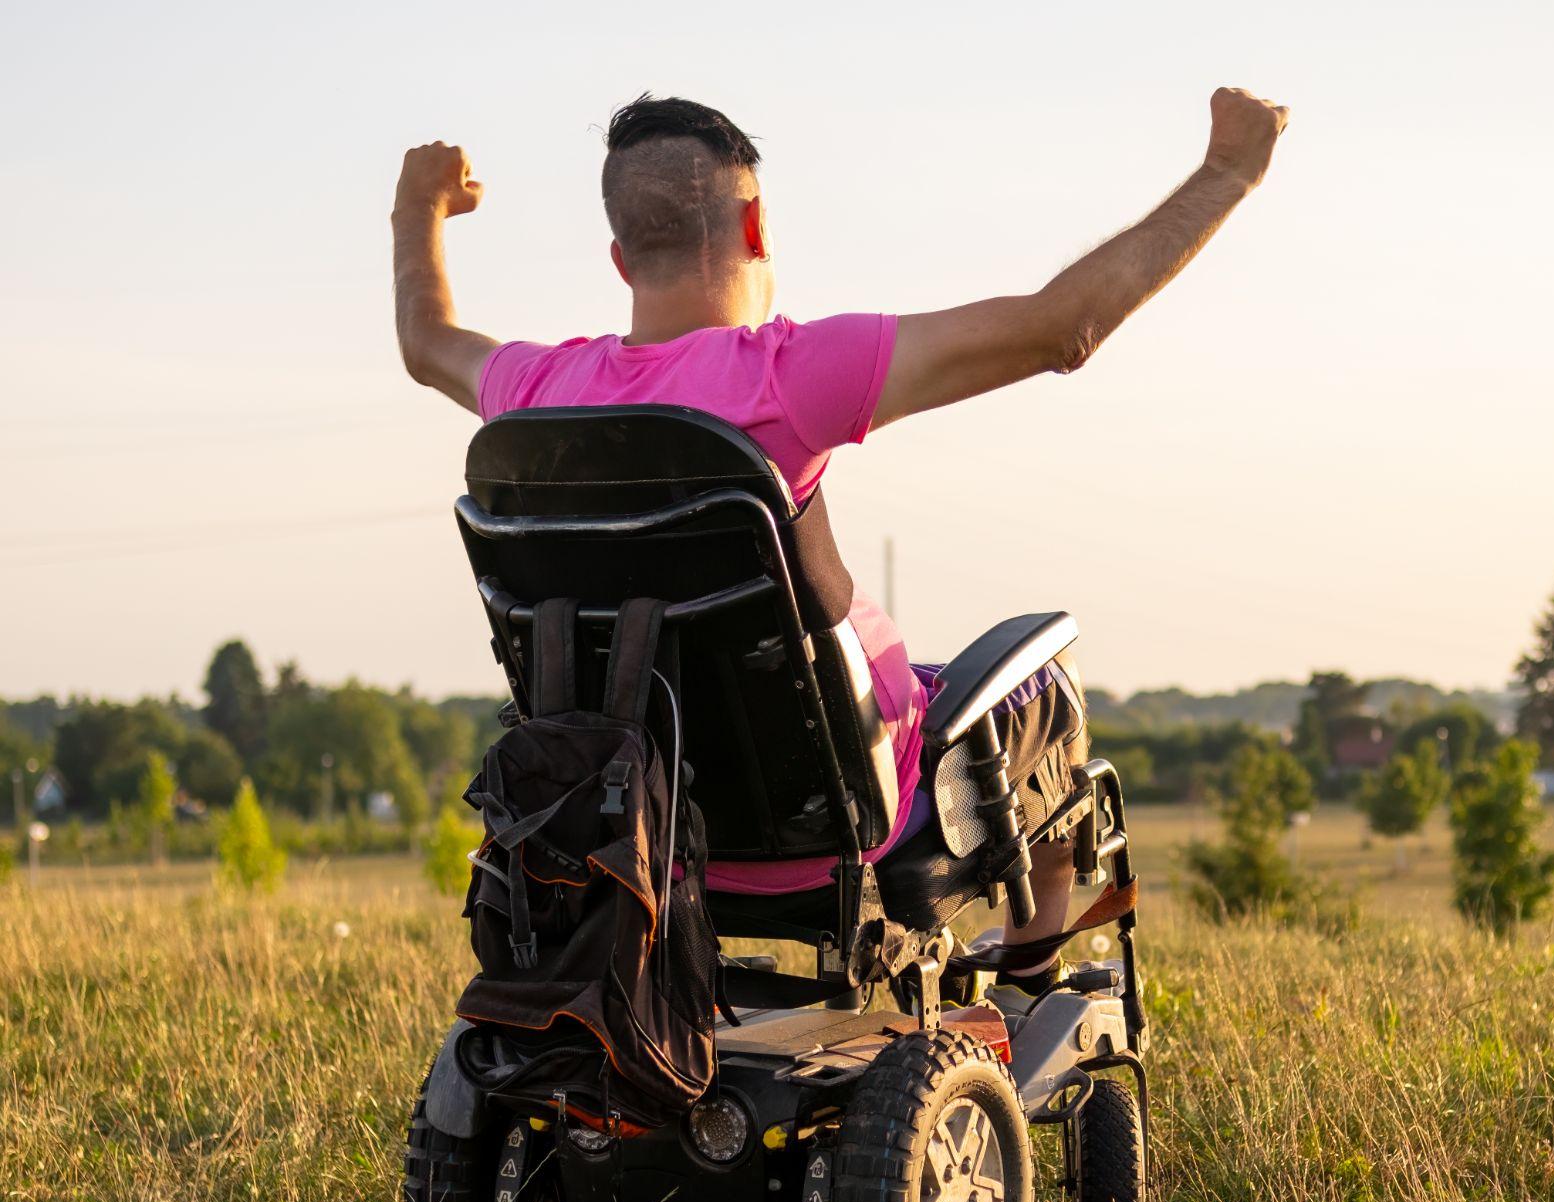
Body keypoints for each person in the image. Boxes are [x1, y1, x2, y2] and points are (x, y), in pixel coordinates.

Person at [391, 87, 1288, 990]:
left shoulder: (538, 392)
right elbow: (1064, 329)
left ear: (621, 258)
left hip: (640, 824)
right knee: (1045, 690)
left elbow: (426, 340)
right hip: (847, 823)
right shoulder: (788, 375)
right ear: (755, 227)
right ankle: (1028, 969)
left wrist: (418, 208)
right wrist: (1228, 172)